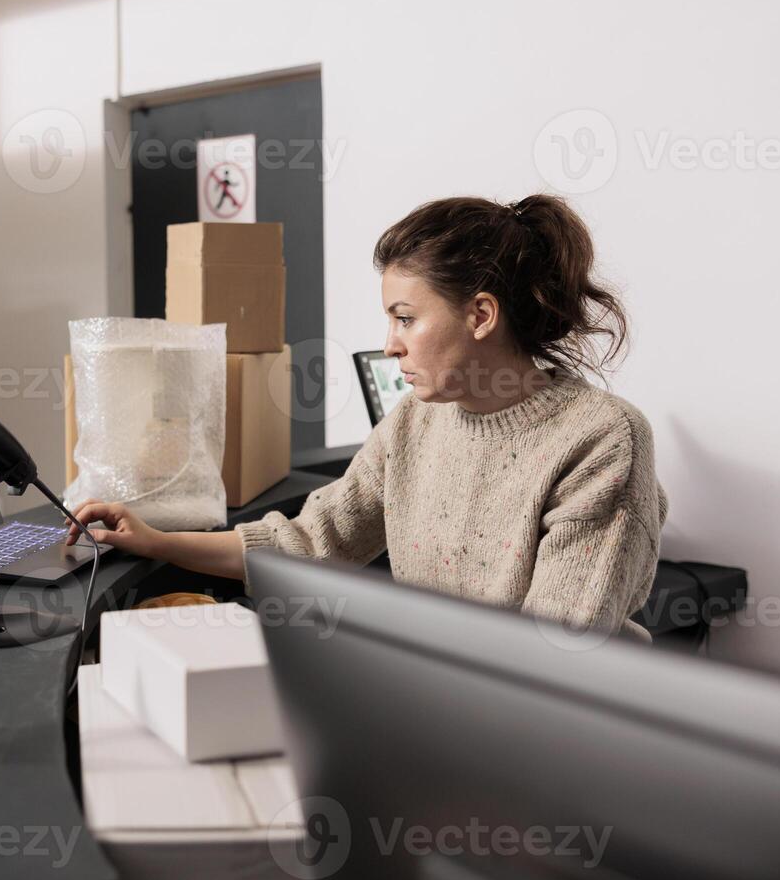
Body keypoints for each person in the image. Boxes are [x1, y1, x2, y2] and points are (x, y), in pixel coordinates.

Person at [66, 194, 668, 640]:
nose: (390, 345)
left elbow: (555, 654)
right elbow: (310, 542)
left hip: (559, 741)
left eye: (406, 318)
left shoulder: (600, 438)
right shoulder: (413, 423)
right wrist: (157, 541)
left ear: (481, 316)